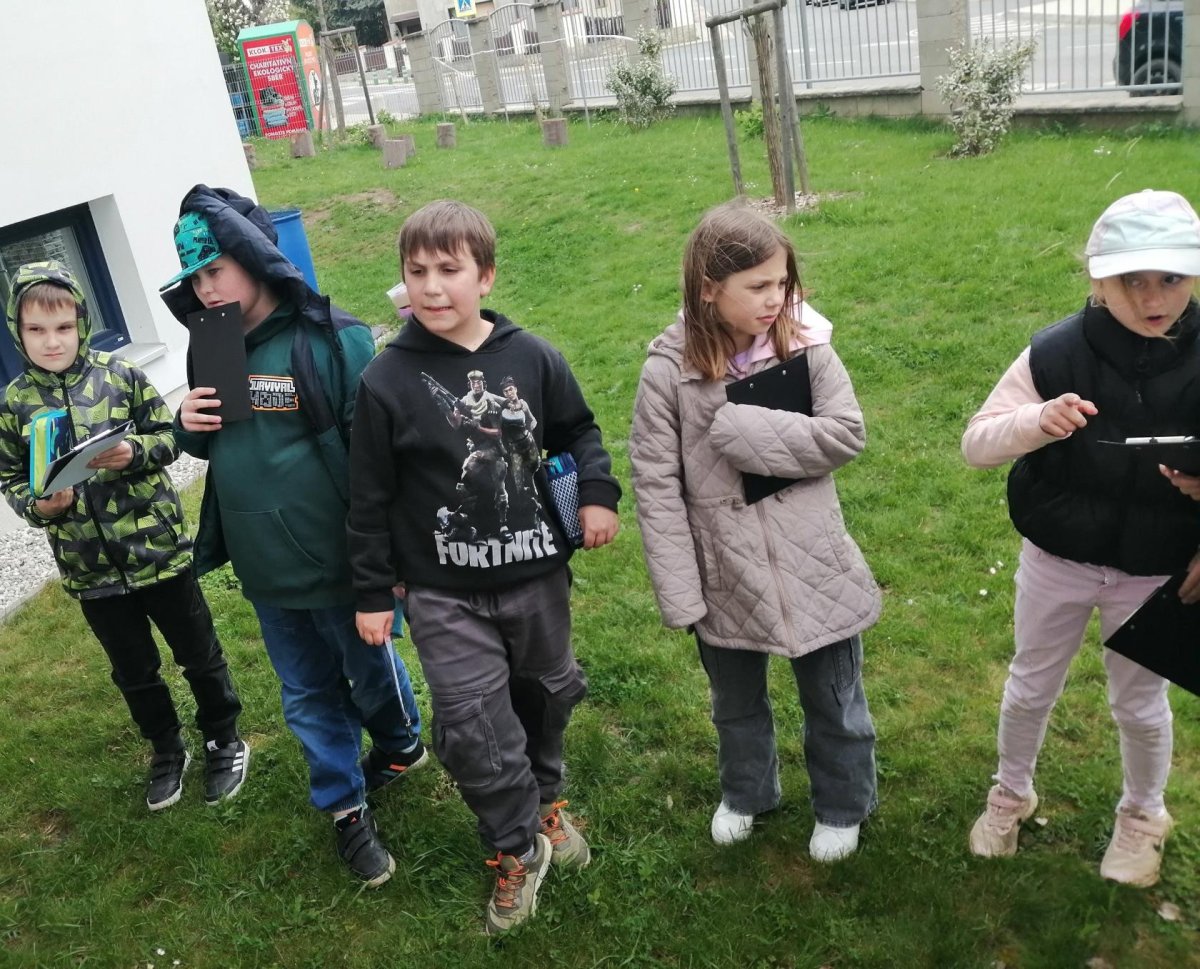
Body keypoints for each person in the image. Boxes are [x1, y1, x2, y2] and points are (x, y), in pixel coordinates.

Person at [347, 199, 620, 934]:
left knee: (546, 697)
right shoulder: (385, 380)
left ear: (486, 276)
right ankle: (515, 844)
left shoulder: (532, 358)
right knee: (471, 724)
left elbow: (579, 430)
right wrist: (372, 591)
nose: (432, 287)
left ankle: (546, 801)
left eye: (449, 270)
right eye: (417, 272)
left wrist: (597, 493)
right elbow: (367, 497)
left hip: (535, 578)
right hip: (442, 593)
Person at [159, 185, 425, 888]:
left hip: (340, 563)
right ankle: (345, 807)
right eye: (194, 277)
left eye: (215, 270)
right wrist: (187, 423)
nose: (203, 288)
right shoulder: (211, 344)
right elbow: (211, 441)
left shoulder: (333, 340)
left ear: (252, 258)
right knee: (306, 693)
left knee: (371, 674)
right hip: (266, 569)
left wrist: (386, 562)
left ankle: (401, 743)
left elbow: (377, 463)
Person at [961, 188, 1200, 888]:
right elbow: (977, 443)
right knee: (1030, 684)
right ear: (1098, 280)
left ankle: (1143, 813)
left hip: (1155, 567)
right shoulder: (1056, 352)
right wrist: (1035, 421)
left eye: (1172, 277)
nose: (1153, 298)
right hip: (1057, 558)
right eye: (1130, 280)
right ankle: (1011, 792)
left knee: (1139, 701)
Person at [629, 200, 881, 862]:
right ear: (709, 289)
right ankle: (747, 793)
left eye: (782, 282)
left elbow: (844, 434)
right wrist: (681, 589)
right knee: (735, 703)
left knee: (835, 697)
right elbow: (655, 485)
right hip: (726, 571)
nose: (777, 299)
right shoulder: (667, 373)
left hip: (814, 561)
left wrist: (747, 430)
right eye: (759, 286)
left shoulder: (809, 347)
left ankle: (844, 803)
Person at [0, 261, 249, 812]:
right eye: (36, 329)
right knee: (134, 671)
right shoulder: (12, 403)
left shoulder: (120, 376)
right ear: (17, 329)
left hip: (157, 552)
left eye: (63, 327)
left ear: (82, 324)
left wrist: (133, 451)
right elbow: (11, 478)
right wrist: (40, 505)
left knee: (198, 653)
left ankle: (223, 737)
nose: (51, 341)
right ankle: (166, 748)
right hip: (89, 568)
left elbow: (170, 436)